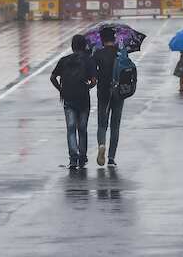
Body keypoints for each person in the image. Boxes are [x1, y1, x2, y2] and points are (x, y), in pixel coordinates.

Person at [50, 34, 98, 170]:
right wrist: (88, 87)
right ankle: (82, 157)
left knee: (71, 128)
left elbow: (53, 77)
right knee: (82, 128)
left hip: (68, 98)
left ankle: (73, 158)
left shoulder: (64, 60)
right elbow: (94, 80)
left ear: (72, 46)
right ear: (84, 46)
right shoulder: (89, 60)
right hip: (83, 99)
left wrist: (61, 90)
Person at [92, 28, 128, 167]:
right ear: (114, 38)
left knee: (102, 123)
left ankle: (102, 144)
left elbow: (93, 74)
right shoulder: (121, 53)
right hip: (119, 92)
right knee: (115, 125)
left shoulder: (98, 54)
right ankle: (111, 158)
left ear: (102, 39)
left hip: (103, 92)